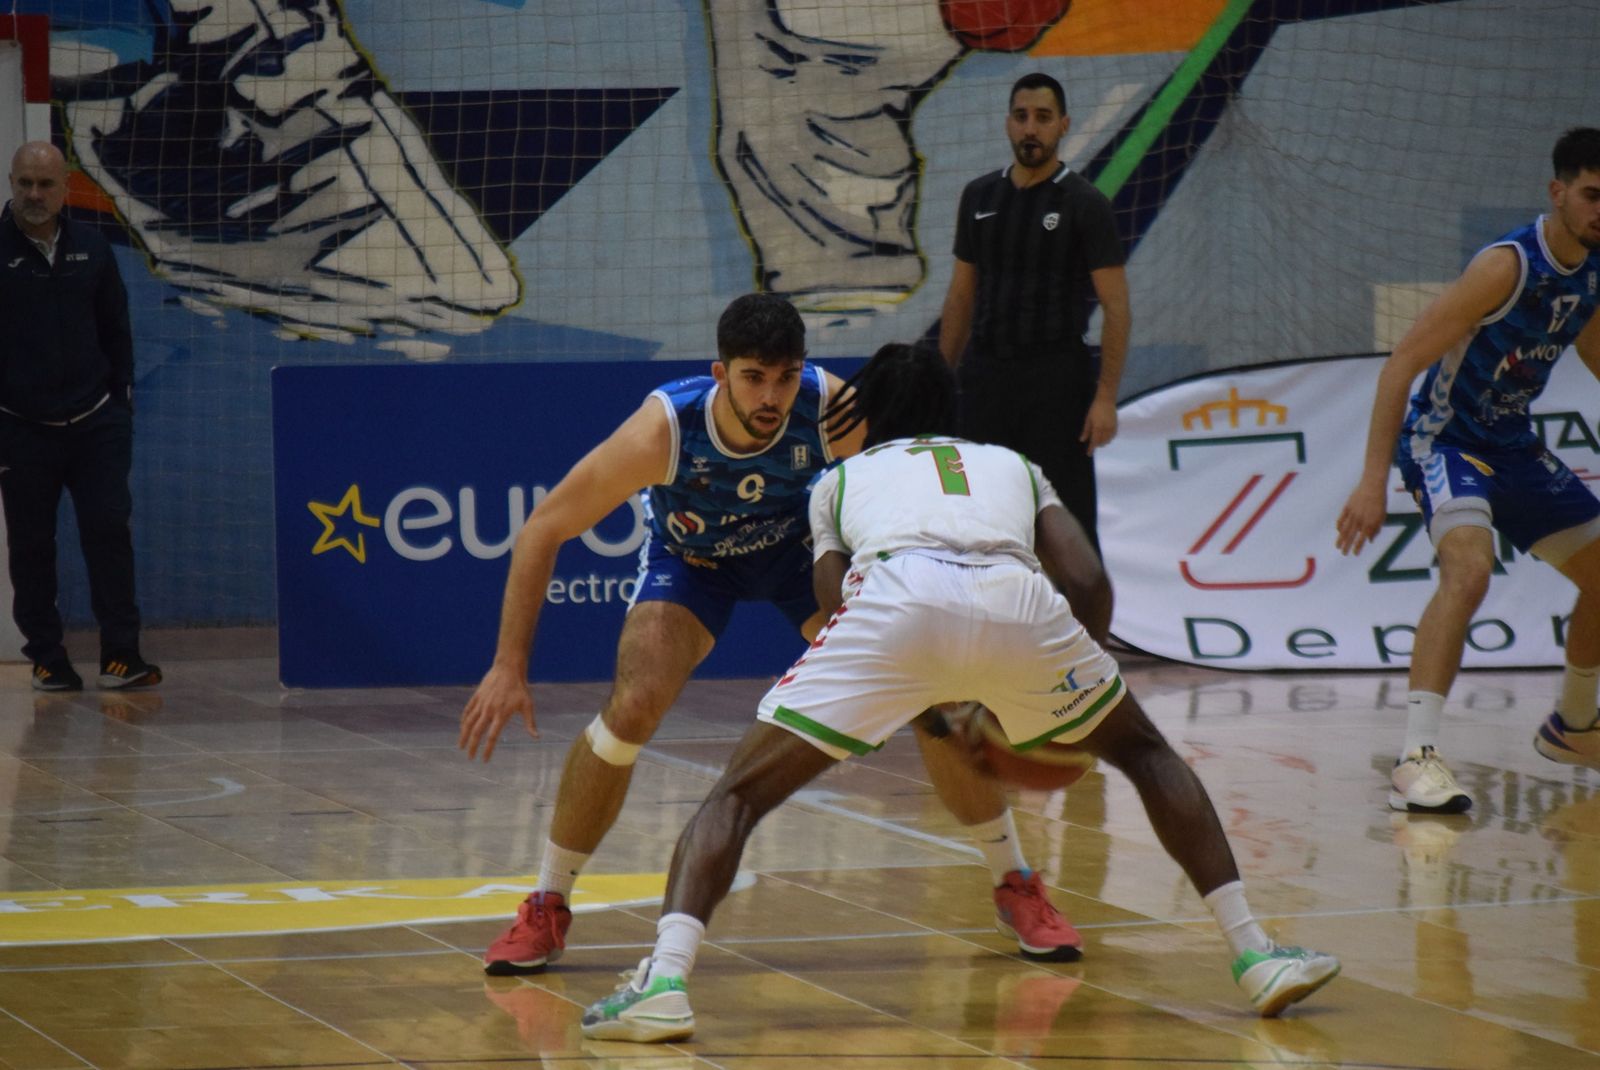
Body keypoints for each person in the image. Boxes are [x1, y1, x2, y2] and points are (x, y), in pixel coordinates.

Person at [578, 343, 1340, 1043]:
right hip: (1020, 602)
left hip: (895, 602)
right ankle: (1256, 953)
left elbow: (834, 598)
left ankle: (665, 981)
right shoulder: (1011, 463)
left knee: (738, 798)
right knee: (1144, 753)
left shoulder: (839, 479)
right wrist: (1065, 697)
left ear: (869, 413)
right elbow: (1086, 582)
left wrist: (917, 677)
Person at [458, 294, 1083, 975]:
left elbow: (895, 505)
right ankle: (548, 903)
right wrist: (507, 665)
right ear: (721, 373)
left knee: (931, 701)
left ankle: (1015, 880)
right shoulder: (666, 429)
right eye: (754, 377)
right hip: (694, 564)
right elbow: (544, 527)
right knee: (632, 708)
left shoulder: (831, 410)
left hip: (799, 558)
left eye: (785, 378)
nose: (771, 396)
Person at [1335, 127, 1600, 813]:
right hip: (1446, 440)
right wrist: (1372, 480)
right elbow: (1401, 364)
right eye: (1594, 195)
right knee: (1471, 569)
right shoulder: (1505, 268)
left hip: (1512, 444)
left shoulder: (1594, 270)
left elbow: (1596, 352)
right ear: (1558, 192)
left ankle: (1574, 726)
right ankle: (1415, 758)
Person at [938, 72, 1131, 553]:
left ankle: (1082, 628)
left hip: (1057, 383)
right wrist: (942, 382)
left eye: (1043, 118)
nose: (1031, 128)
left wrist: (1105, 397)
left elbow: (1117, 307)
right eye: (1022, 117)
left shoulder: (1086, 204)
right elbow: (961, 296)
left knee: (1067, 526)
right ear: (1008, 123)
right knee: (978, 516)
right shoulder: (979, 197)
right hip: (986, 379)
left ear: (1063, 125)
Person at [0, 142, 159, 692]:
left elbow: (117, 331)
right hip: (20, 428)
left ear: (65, 189)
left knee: (109, 533)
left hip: (97, 424)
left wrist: (119, 407)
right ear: (12, 183)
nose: (34, 195)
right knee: (31, 546)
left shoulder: (93, 247)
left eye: (45, 185)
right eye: (24, 183)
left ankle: (122, 655)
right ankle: (47, 657)